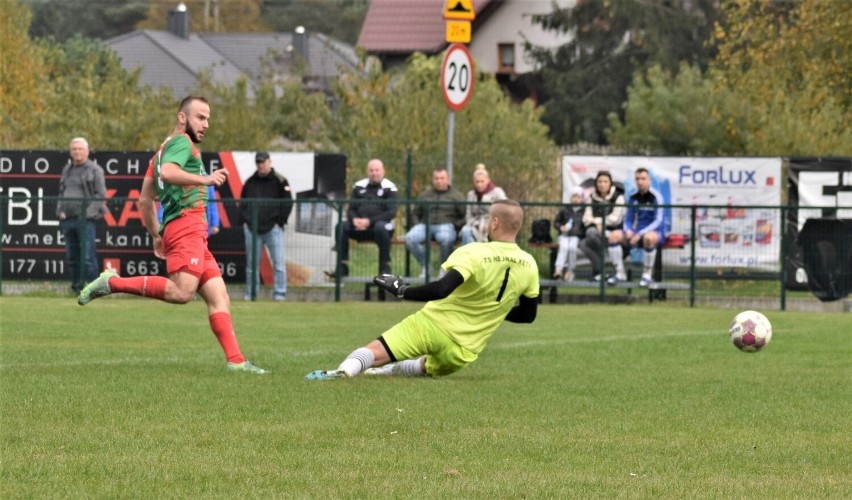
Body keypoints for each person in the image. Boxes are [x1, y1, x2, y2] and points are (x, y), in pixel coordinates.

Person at [77, 95, 268, 374]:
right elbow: (168, 173)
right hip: (186, 226)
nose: (206, 124)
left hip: (191, 232)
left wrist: (156, 235)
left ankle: (236, 361)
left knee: (218, 296)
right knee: (182, 292)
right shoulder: (182, 143)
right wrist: (206, 179)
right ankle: (113, 283)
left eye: (208, 119)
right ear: (182, 118)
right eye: (200, 117)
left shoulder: (160, 153)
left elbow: (144, 201)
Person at [306, 199, 539, 380]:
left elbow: (441, 289)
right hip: (463, 352)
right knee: (423, 366)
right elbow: (528, 316)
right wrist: (491, 309)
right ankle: (387, 373)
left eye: (490, 219)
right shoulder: (529, 264)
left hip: (433, 325)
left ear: (495, 223)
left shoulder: (475, 252)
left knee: (375, 352)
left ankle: (342, 371)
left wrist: (402, 290)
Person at [238, 151, 293, 302]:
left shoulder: (280, 181)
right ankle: (252, 293)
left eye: (263, 162)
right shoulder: (250, 182)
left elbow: (288, 203)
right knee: (251, 266)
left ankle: (280, 294)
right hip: (252, 229)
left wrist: (279, 221)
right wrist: (246, 222)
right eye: (258, 162)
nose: (260, 165)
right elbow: (242, 203)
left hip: (273, 229)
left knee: (279, 264)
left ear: (270, 162)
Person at [57, 137, 107, 294]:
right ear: (70, 151)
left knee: (87, 257)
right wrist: (60, 211)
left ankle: (95, 290)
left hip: (86, 220)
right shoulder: (67, 169)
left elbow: (101, 195)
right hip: (68, 220)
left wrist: (87, 214)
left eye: (80, 149)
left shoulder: (95, 170)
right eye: (74, 149)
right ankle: (76, 288)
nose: (77, 151)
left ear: (87, 151)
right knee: (72, 257)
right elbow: (61, 192)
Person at [336, 159, 398, 277]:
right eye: (371, 170)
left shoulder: (390, 188)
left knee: (381, 227)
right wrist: (354, 220)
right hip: (359, 227)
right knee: (341, 227)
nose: (374, 173)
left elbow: (391, 212)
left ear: (383, 171)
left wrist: (369, 222)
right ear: (367, 172)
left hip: (381, 229)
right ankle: (342, 266)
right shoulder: (359, 186)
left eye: (377, 170)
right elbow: (351, 208)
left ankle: (385, 268)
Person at [404, 167, 466, 278]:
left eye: (442, 178)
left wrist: (456, 226)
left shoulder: (457, 196)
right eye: (436, 178)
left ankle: (444, 269)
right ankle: (426, 267)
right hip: (425, 225)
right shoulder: (425, 195)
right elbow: (415, 213)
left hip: (446, 225)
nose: (439, 181)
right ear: (433, 180)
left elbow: (464, 215)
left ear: (448, 179)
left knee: (446, 239)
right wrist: (417, 224)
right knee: (409, 238)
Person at [619, 167, 665, 287]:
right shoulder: (633, 196)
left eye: (643, 179)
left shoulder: (656, 197)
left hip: (655, 232)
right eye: (637, 179)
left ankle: (647, 274)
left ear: (649, 180)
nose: (640, 182)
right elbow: (628, 217)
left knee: (648, 238)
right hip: (637, 231)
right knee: (614, 236)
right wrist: (628, 230)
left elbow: (658, 221)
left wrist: (640, 234)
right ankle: (620, 273)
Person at [579, 171, 626, 283]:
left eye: (605, 181)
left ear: (610, 183)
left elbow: (615, 219)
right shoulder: (592, 198)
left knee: (589, 235)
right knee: (583, 243)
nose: (602, 184)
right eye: (600, 181)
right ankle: (602, 270)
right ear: (596, 184)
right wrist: (598, 224)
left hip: (614, 232)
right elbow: (586, 218)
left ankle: (600, 269)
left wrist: (600, 223)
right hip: (598, 234)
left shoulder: (618, 197)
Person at [460, 163, 507, 244]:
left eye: (482, 181)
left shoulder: (497, 192)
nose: (479, 184)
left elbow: (505, 211)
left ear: (488, 180)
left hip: (493, 227)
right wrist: (477, 224)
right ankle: (472, 255)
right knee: (465, 231)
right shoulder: (471, 194)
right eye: (477, 182)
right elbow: (468, 215)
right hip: (475, 226)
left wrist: (491, 225)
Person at [553, 186, 585, 281]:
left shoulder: (583, 210)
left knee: (572, 248)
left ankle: (570, 270)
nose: (576, 199)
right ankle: (558, 270)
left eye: (578, 197)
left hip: (576, 236)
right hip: (564, 235)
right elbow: (556, 223)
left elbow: (584, 226)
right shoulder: (565, 209)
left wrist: (580, 233)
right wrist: (560, 227)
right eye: (573, 196)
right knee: (563, 248)